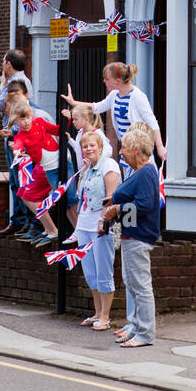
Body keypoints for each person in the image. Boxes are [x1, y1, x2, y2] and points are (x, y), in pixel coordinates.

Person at [99, 122, 160, 348]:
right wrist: (114, 204)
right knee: (133, 285)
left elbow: (145, 205)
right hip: (130, 235)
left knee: (141, 286)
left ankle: (145, 333)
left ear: (136, 149)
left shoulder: (146, 172)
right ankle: (136, 327)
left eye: (124, 148)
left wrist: (117, 209)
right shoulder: (140, 172)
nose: (121, 152)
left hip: (139, 236)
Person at [64, 62, 165, 171]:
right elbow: (97, 106)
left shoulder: (138, 96)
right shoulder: (114, 95)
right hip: (126, 148)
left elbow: (152, 122)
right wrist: (74, 103)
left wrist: (160, 147)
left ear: (118, 81)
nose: (104, 81)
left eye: (107, 79)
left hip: (138, 150)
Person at [75, 129, 121, 329]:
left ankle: (105, 316)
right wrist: (82, 173)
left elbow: (111, 198)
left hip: (101, 227)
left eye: (92, 145)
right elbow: (79, 194)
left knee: (104, 270)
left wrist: (103, 222)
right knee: (90, 272)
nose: (88, 149)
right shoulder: (87, 169)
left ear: (101, 147)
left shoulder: (109, 165)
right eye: (85, 146)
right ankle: (96, 312)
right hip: (84, 225)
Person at [0, 81, 44, 241]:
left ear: (25, 95)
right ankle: (22, 222)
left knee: (29, 187)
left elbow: (34, 132)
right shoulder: (12, 112)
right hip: (15, 150)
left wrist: (14, 136)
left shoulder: (35, 112)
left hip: (28, 155)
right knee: (16, 185)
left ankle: (36, 224)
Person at [9, 101, 61, 247]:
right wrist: (16, 152)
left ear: (31, 115)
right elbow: (18, 145)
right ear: (16, 120)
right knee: (22, 191)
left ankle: (53, 230)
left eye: (27, 117)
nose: (26, 122)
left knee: (29, 196)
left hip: (50, 165)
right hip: (41, 166)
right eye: (21, 119)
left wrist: (68, 118)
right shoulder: (19, 135)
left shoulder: (39, 121)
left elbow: (56, 130)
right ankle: (47, 228)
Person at [61, 103, 112, 243]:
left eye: (76, 119)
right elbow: (79, 150)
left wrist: (96, 162)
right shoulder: (79, 134)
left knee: (89, 202)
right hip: (83, 172)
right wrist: (70, 140)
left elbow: (108, 150)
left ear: (86, 120)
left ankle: (86, 231)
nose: (74, 122)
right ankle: (79, 230)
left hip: (94, 174)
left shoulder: (97, 134)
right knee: (81, 200)